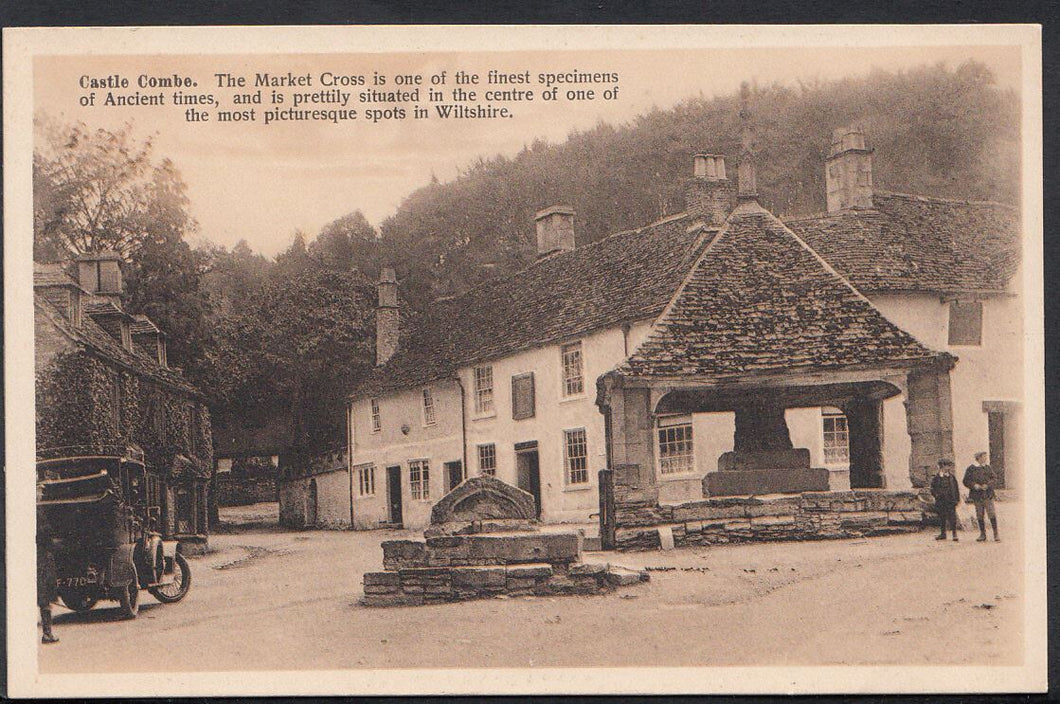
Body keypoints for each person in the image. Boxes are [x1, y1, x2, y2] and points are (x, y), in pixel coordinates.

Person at [36, 497, 59, 644]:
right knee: (44, 596)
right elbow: (45, 534)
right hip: (41, 557)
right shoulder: (38, 511)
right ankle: (47, 634)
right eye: (39, 489)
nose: (41, 493)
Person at [963, 451, 1000, 542]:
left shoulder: (987, 467)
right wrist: (974, 485)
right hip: (977, 495)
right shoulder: (971, 468)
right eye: (984, 457)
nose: (985, 458)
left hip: (988, 495)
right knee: (979, 514)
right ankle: (982, 534)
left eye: (985, 457)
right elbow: (966, 480)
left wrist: (988, 485)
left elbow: (994, 478)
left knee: (991, 513)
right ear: (978, 458)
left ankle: (996, 534)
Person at [930, 458, 960, 542]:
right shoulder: (936, 477)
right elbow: (932, 489)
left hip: (951, 500)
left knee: (952, 517)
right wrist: (936, 495)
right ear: (942, 466)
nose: (948, 468)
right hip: (941, 500)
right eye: (947, 466)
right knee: (942, 517)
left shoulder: (951, 477)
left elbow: (956, 488)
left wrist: (957, 499)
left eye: (949, 466)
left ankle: (954, 534)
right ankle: (943, 533)